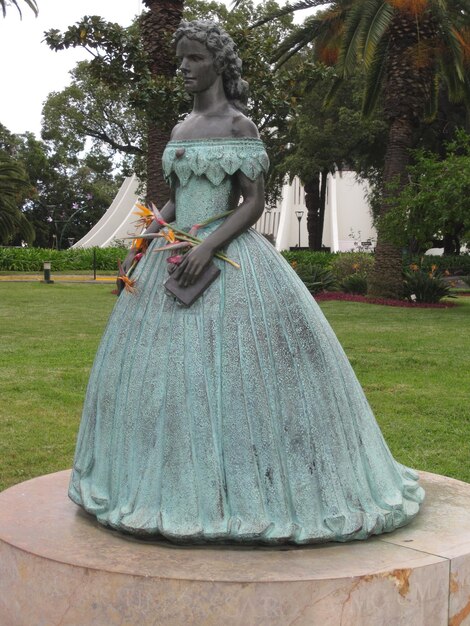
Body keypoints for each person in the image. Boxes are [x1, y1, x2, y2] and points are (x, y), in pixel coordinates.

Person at [69, 20, 424, 544]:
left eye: (193, 59)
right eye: (180, 61)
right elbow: (175, 198)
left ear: (217, 64)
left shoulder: (240, 127)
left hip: (228, 258)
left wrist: (209, 245)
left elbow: (253, 203)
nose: (184, 69)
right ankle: (165, 483)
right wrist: (145, 239)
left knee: (240, 376)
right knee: (160, 380)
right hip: (170, 257)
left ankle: (254, 485)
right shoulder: (179, 130)